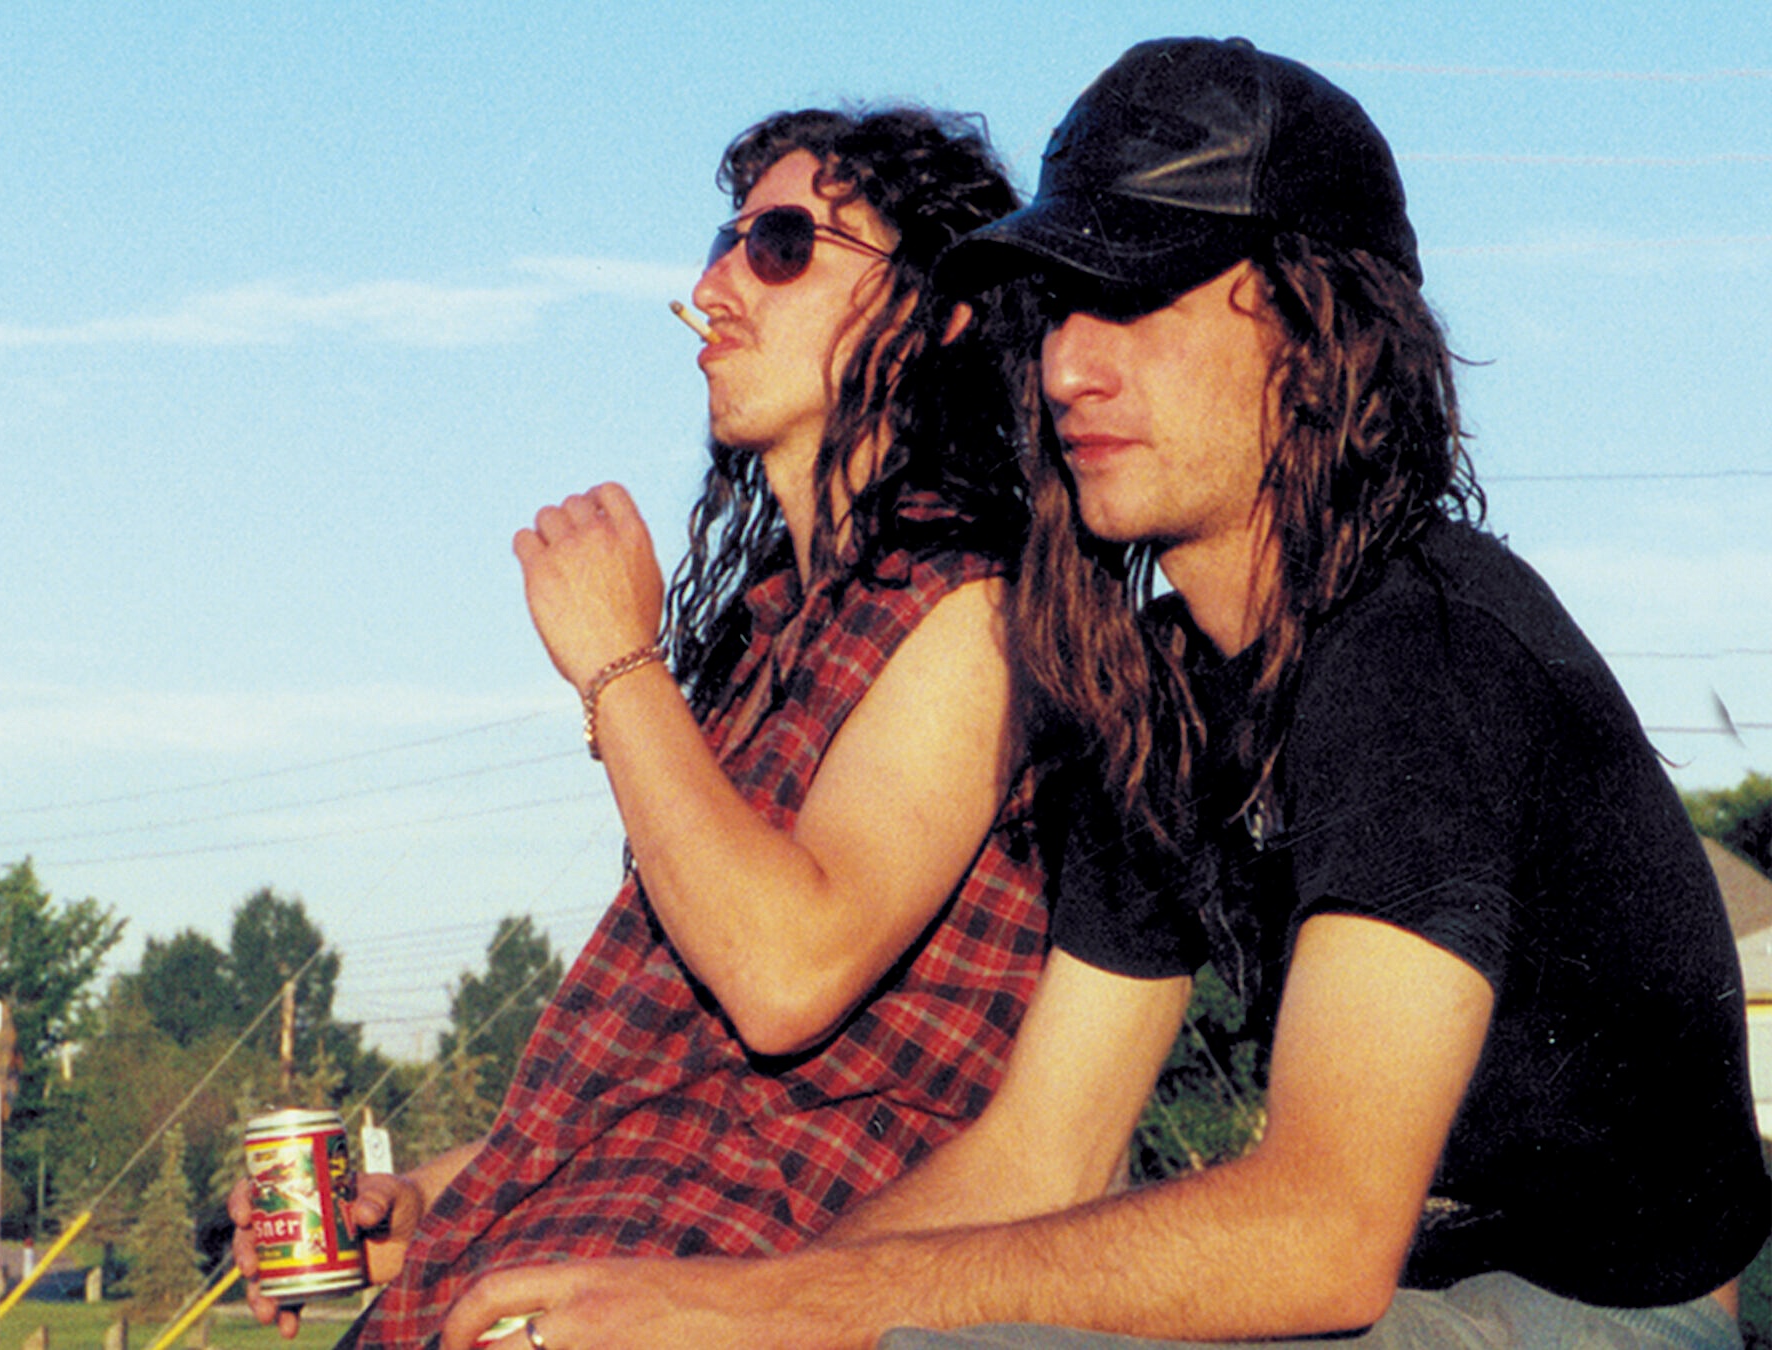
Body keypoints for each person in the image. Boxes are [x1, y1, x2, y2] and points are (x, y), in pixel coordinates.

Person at [439, 37, 1771, 1350]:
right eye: (1057, 309)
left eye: (1135, 302)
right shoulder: (1167, 690)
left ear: (1318, 334)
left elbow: (1320, 1230)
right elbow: (1042, 1152)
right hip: (1417, 1290)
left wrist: (770, 1308)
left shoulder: (1423, 648)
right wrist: (712, 1309)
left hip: (1611, 1311)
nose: (1069, 365)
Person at [230, 107, 1048, 1348]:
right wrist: (427, 1204)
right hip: (573, 1262)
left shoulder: (976, 610)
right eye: (725, 244)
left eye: (781, 246)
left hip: (726, 1287)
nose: (712, 286)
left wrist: (619, 663)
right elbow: (663, 1081)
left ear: (934, 312)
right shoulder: (776, 631)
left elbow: (784, 977)